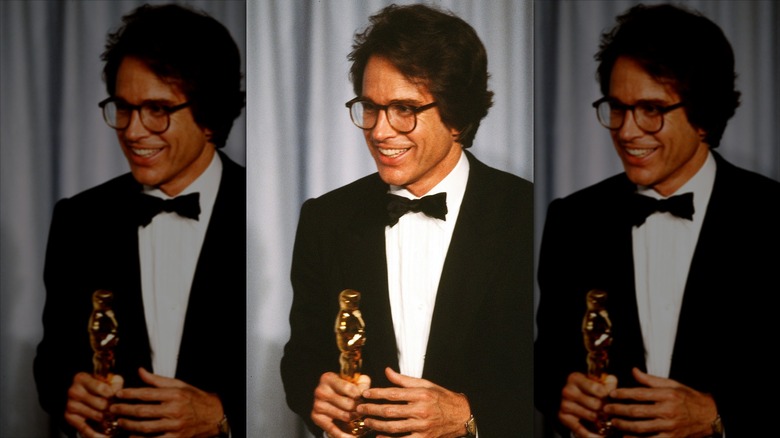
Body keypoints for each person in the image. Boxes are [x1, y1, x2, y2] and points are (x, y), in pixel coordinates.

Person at [280, 4, 533, 437]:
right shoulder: (326, 218)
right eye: (371, 108)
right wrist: (315, 393)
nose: (379, 131)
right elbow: (302, 357)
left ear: (457, 116)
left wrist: (471, 416)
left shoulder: (527, 213)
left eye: (404, 109)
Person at [534, 4, 780, 438]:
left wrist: (718, 417)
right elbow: (547, 359)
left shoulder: (773, 216)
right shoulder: (573, 220)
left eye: (651, 109)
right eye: (617, 107)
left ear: (703, 115)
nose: (627, 131)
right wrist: (560, 394)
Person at [33, 4, 246, 437]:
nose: (132, 131)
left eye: (157, 109)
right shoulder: (79, 218)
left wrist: (224, 415)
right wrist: (69, 390)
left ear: (209, 116)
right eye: (124, 107)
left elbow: (297, 363)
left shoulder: (267, 212)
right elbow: (52, 361)